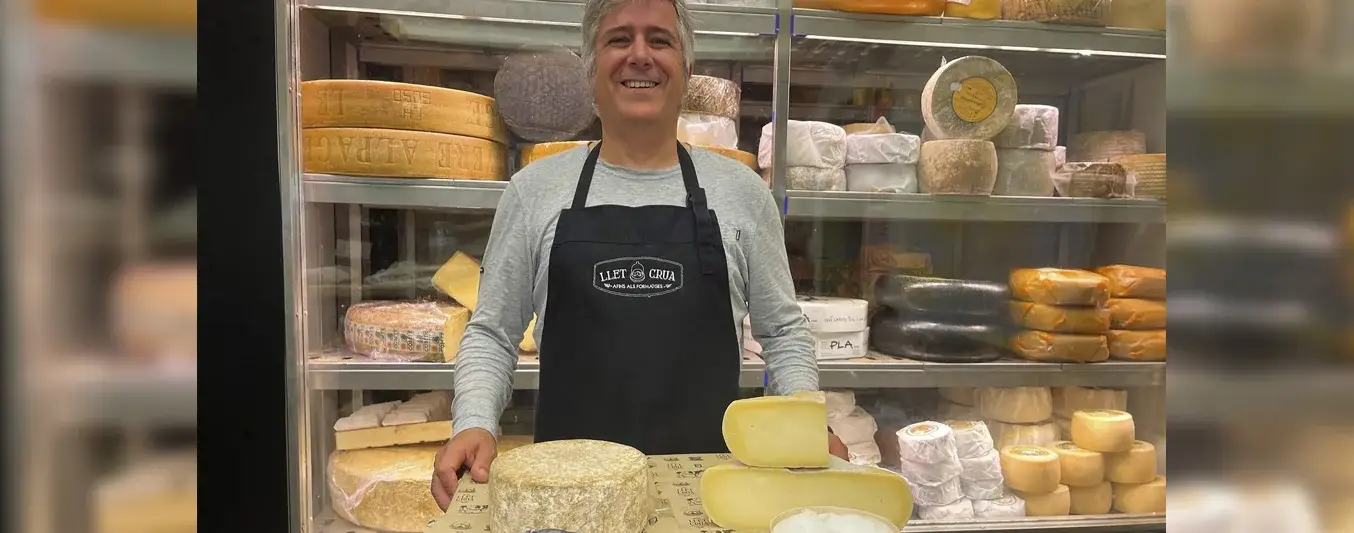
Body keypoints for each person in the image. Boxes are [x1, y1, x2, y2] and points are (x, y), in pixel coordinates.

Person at [431, 0, 847, 509]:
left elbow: (782, 331)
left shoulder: (743, 195)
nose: (640, 55)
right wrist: (473, 422)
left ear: (686, 68)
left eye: (660, 39)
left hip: (710, 495)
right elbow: (493, 332)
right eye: (619, 39)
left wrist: (805, 419)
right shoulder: (533, 192)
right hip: (567, 497)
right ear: (591, 69)